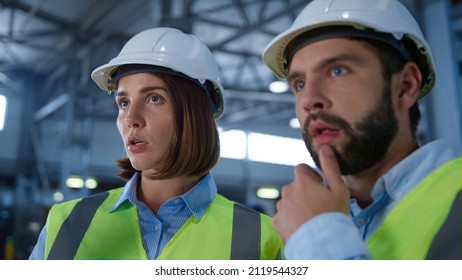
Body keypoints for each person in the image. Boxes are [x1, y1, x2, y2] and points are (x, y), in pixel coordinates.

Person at [29, 27, 283, 260]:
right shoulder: (66, 223)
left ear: (197, 115)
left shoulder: (263, 239)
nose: (131, 118)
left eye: (154, 99)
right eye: (124, 102)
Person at [262, 0, 461, 260]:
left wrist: (319, 238)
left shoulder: (311, 233)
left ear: (405, 86)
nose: (309, 99)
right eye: (299, 84)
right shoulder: (295, 228)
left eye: (338, 70)